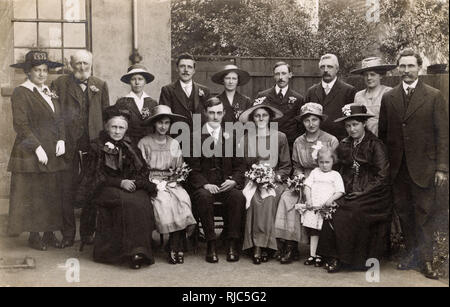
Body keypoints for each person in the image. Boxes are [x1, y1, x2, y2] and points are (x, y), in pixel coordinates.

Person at [379, 48, 448, 280]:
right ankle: (411, 256)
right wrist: (387, 167)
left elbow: (443, 135)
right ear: (398, 68)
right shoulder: (389, 98)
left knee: (424, 213)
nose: (406, 70)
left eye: (411, 66)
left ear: (419, 67)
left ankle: (427, 260)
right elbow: (383, 134)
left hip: (425, 168)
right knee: (405, 213)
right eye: (403, 66)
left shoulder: (434, 95)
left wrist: (441, 168)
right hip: (399, 169)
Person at [75, 106, 157, 269]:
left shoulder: (129, 145)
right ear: (106, 127)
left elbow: (141, 170)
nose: (117, 131)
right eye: (114, 127)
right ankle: (120, 252)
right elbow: (94, 176)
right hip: (103, 188)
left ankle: (141, 249)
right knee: (127, 202)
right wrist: (120, 183)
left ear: (126, 129)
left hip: (127, 185)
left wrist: (134, 182)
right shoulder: (96, 146)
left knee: (142, 200)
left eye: (121, 128)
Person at [317, 104, 392, 273]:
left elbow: (382, 176)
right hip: (349, 190)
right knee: (332, 208)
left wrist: (362, 192)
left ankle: (350, 259)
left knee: (352, 211)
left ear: (364, 123)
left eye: (355, 124)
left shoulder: (375, 145)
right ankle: (332, 256)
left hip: (374, 194)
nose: (352, 129)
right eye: (348, 125)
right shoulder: (344, 144)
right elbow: (336, 169)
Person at [8, 50, 66, 250]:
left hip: (52, 148)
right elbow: (21, 125)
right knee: (34, 194)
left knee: (51, 191)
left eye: (44, 70)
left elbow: (59, 118)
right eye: (37, 70)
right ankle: (34, 235)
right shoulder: (21, 92)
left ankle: (49, 234)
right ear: (28, 72)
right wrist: (37, 147)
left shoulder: (49, 91)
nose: (42, 74)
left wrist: (61, 139)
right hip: (30, 149)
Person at [52, 50, 110, 248]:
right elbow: (55, 116)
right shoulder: (59, 84)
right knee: (66, 189)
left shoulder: (100, 85)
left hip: (92, 145)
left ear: (91, 64)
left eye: (86, 63)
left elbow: (106, 116)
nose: (82, 68)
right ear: (70, 64)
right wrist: (59, 140)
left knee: (91, 189)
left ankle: (87, 233)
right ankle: (68, 234)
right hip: (67, 145)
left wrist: (104, 143)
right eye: (78, 63)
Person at [274, 102, 339, 263]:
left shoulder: (331, 140)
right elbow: (296, 166)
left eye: (314, 120)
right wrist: (300, 178)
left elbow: (335, 167)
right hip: (304, 180)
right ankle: (290, 245)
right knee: (287, 198)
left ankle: (323, 249)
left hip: (325, 181)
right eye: (307, 120)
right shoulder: (298, 141)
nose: (311, 124)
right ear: (302, 122)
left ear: (320, 121)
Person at [187, 97, 246, 263]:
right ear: (205, 113)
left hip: (226, 185)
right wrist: (205, 184)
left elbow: (240, 166)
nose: (215, 117)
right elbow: (192, 168)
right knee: (203, 197)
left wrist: (234, 181)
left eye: (219, 113)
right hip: (205, 186)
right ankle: (211, 243)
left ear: (224, 114)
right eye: (211, 113)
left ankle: (231, 243)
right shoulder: (194, 137)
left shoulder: (232, 136)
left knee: (237, 197)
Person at [137, 105, 196, 265]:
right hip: (152, 182)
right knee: (164, 202)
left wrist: (175, 178)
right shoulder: (145, 142)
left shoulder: (174, 143)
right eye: (160, 123)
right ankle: (173, 249)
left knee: (183, 200)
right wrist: (153, 182)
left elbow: (179, 166)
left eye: (166, 123)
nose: (163, 126)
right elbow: (139, 168)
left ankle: (175, 245)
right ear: (154, 124)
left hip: (171, 181)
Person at [238, 100, 292, 264]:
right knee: (253, 199)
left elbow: (286, 165)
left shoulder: (280, 137)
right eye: (257, 115)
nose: (261, 118)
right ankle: (255, 245)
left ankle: (266, 245)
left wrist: (272, 177)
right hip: (253, 178)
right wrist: (255, 176)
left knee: (269, 198)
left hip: (274, 178)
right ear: (253, 119)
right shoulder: (246, 139)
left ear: (269, 118)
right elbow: (243, 165)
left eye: (264, 115)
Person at [301, 147, 345, 267]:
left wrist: (331, 200)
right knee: (314, 231)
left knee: (324, 231)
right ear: (317, 162)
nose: (324, 165)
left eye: (327, 162)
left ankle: (321, 255)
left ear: (333, 161)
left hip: (326, 208)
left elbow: (340, 191)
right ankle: (313, 254)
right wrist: (308, 199)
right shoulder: (315, 172)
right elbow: (307, 186)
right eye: (321, 162)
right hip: (315, 206)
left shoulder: (335, 175)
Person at [305, 54, 357, 141]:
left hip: (340, 141)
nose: (325, 70)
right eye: (322, 67)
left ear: (337, 69)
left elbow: (352, 121)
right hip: (315, 141)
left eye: (330, 67)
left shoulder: (348, 91)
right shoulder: (311, 91)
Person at [254, 61, 304, 149]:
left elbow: (301, 126)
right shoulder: (262, 96)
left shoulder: (298, 99)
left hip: (289, 146)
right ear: (274, 76)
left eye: (284, 73)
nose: (281, 77)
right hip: (266, 144)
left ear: (290, 75)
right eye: (277, 74)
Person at [159, 53, 211, 131]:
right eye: (182, 66)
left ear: (194, 71)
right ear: (177, 68)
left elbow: (209, 117)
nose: (186, 70)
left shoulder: (205, 91)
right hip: (176, 138)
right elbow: (164, 119)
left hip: (199, 139)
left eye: (189, 67)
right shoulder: (167, 90)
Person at [351, 57, 395, 136]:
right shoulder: (358, 96)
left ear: (381, 75)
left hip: (384, 137)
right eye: (366, 75)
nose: (369, 78)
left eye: (372, 74)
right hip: (364, 139)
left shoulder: (388, 92)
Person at [115, 64, 158, 144]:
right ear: (129, 82)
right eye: (133, 79)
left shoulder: (152, 103)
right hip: (129, 144)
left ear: (145, 81)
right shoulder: (122, 102)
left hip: (149, 144)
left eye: (140, 79)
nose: (137, 82)